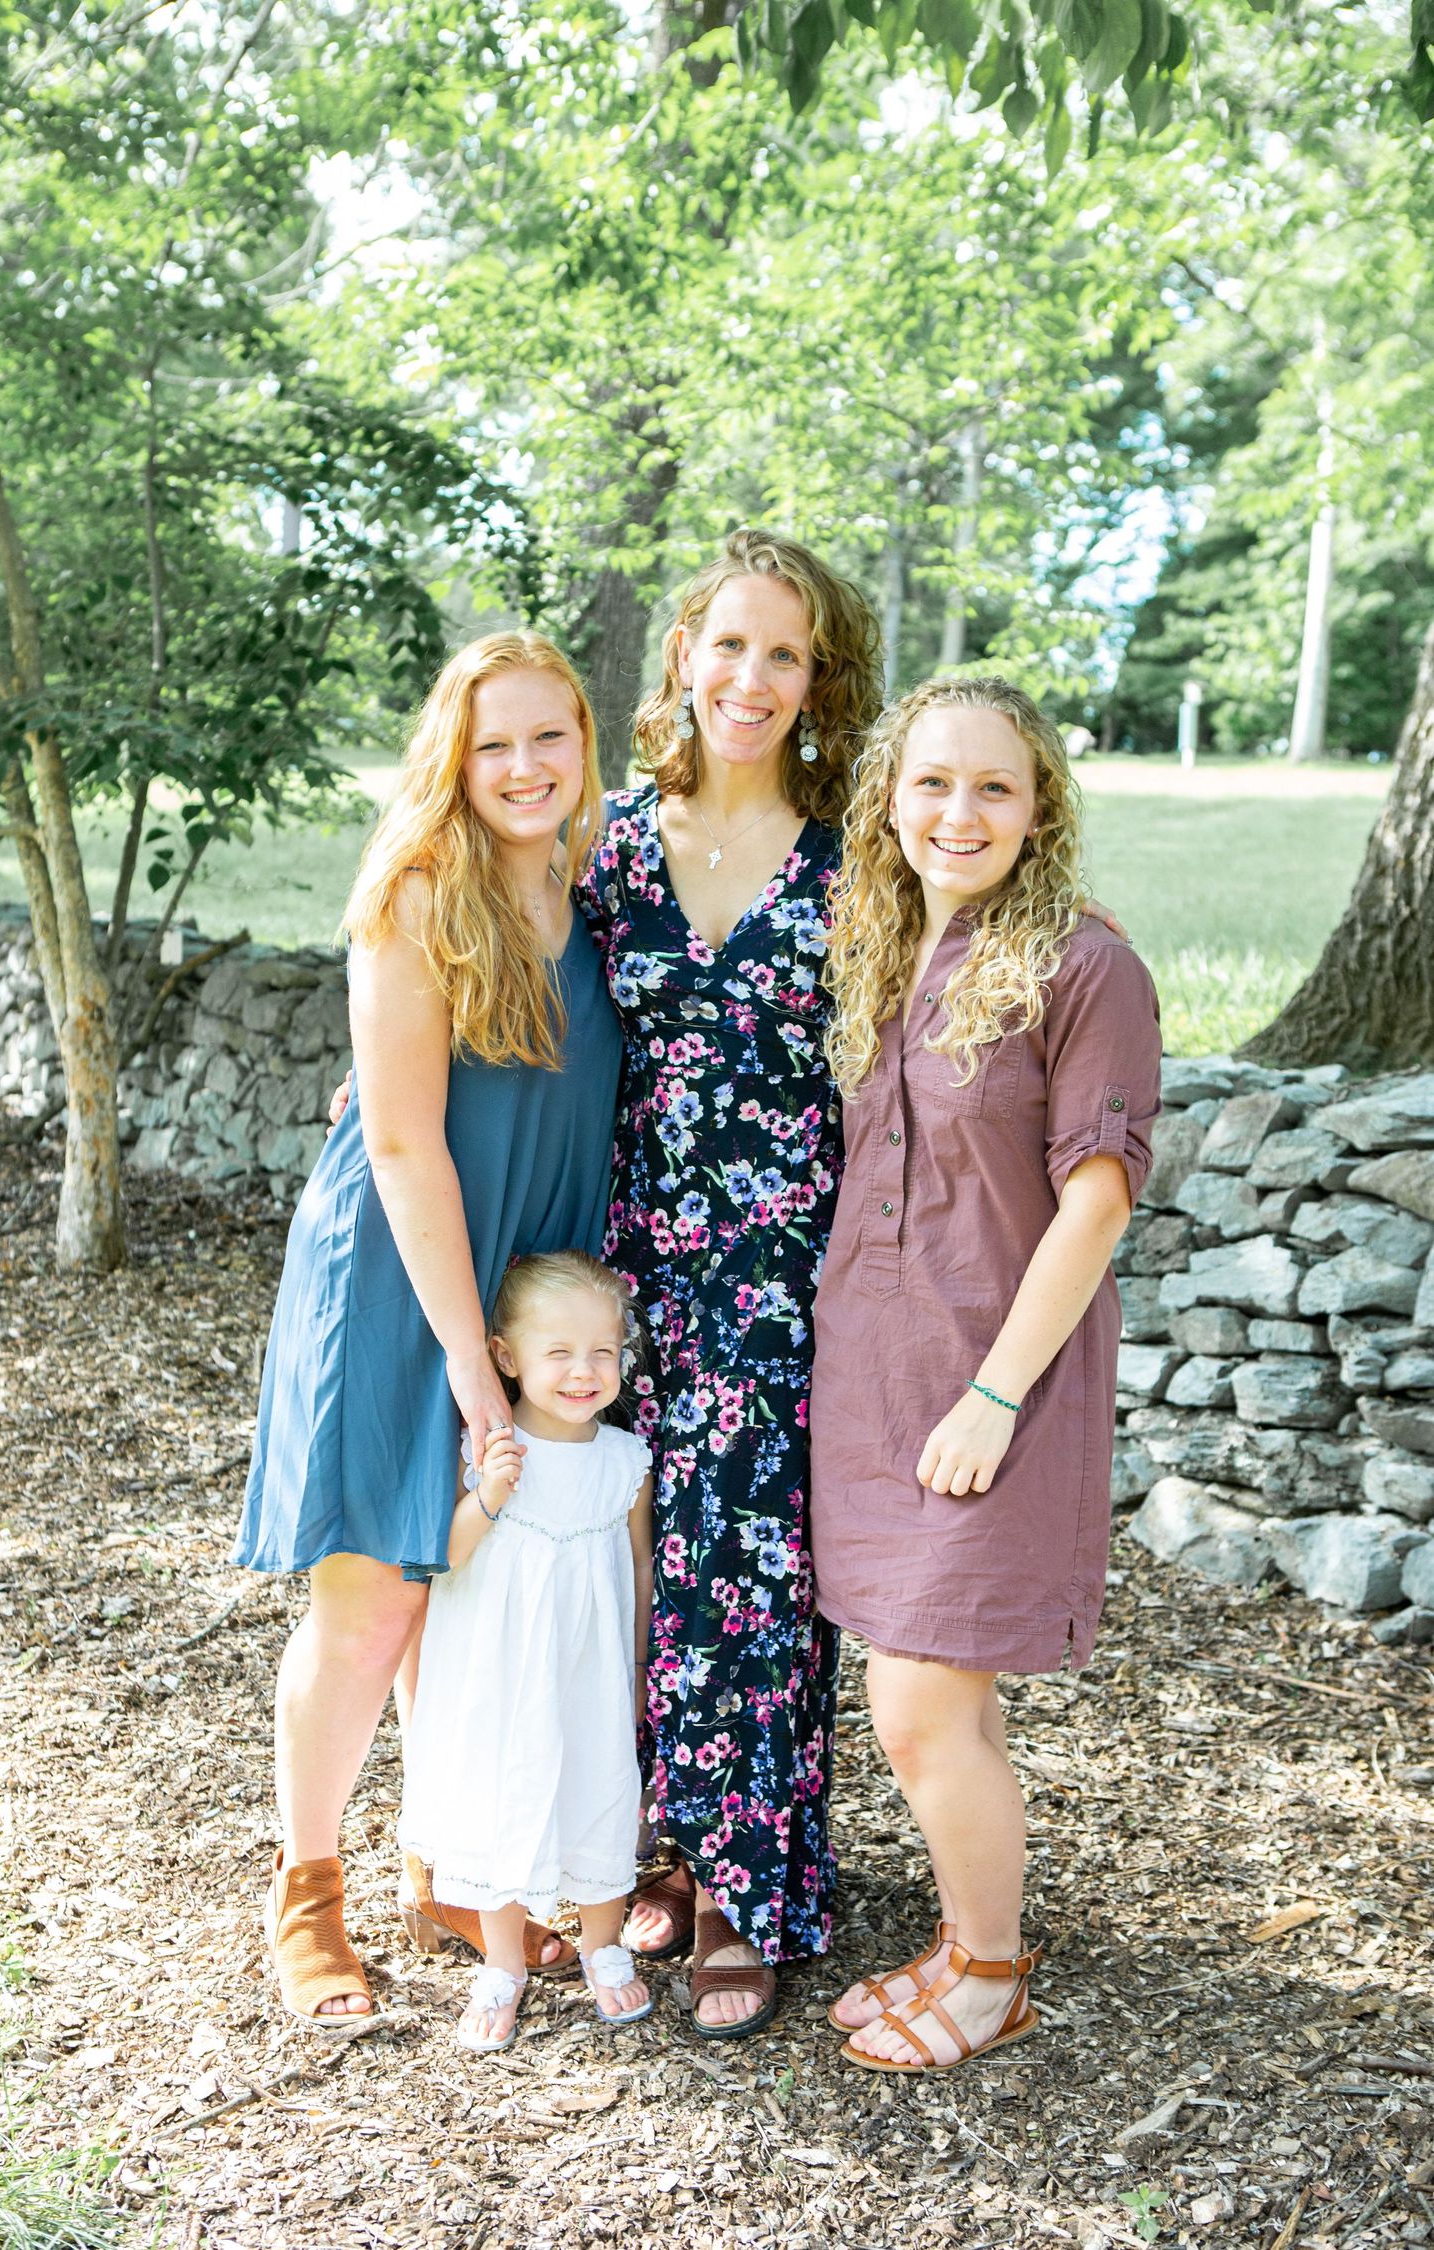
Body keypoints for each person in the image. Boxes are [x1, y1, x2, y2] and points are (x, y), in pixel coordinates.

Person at [235, 632, 622, 2028]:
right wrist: (472, 1361)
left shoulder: (597, 881)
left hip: (527, 1278)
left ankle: (443, 1865)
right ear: (451, 759)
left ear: (586, 744)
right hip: (403, 1276)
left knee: (470, 1590)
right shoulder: (415, 892)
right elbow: (400, 1140)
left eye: (548, 736)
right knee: (377, 1597)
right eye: (491, 743)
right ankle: (307, 1893)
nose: (523, 766)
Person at [810, 675, 1162, 2073]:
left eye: (994, 787)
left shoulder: (1087, 966)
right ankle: (968, 1941)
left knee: (914, 1702)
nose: (960, 813)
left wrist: (997, 1396)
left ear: (1039, 807)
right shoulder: (882, 947)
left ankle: (994, 1978)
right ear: (890, 800)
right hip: (876, 1371)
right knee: (940, 1700)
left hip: (1000, 1380)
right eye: (933, 783)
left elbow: (1097, 1204)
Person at [577, 529, 884, 2035]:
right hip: (631, 1260)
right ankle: (653, 1843)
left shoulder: (855, 859)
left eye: (786, 654)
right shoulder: (610, 845)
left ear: (819, 681)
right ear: (684, 656)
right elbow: (506, 983)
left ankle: (748, 1884)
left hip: (785, 1268)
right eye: (730, 644)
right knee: (633, 1558)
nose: (751, 678)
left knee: (758, 1571)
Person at [399, 1251, 655, 2053]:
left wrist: (638, 1665)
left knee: (599, 1787)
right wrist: (488, 1494)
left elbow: (639, 1566)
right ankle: (502, 1963)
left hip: (589, 1671)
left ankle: (603, 1946)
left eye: (603, 1352)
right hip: (500, 1673)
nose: (585, 1372)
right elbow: (445, 1558)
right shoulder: (488, 1448)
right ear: (506, 1357)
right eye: (560, 1352)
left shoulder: (624, 1460)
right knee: (502, 1800)